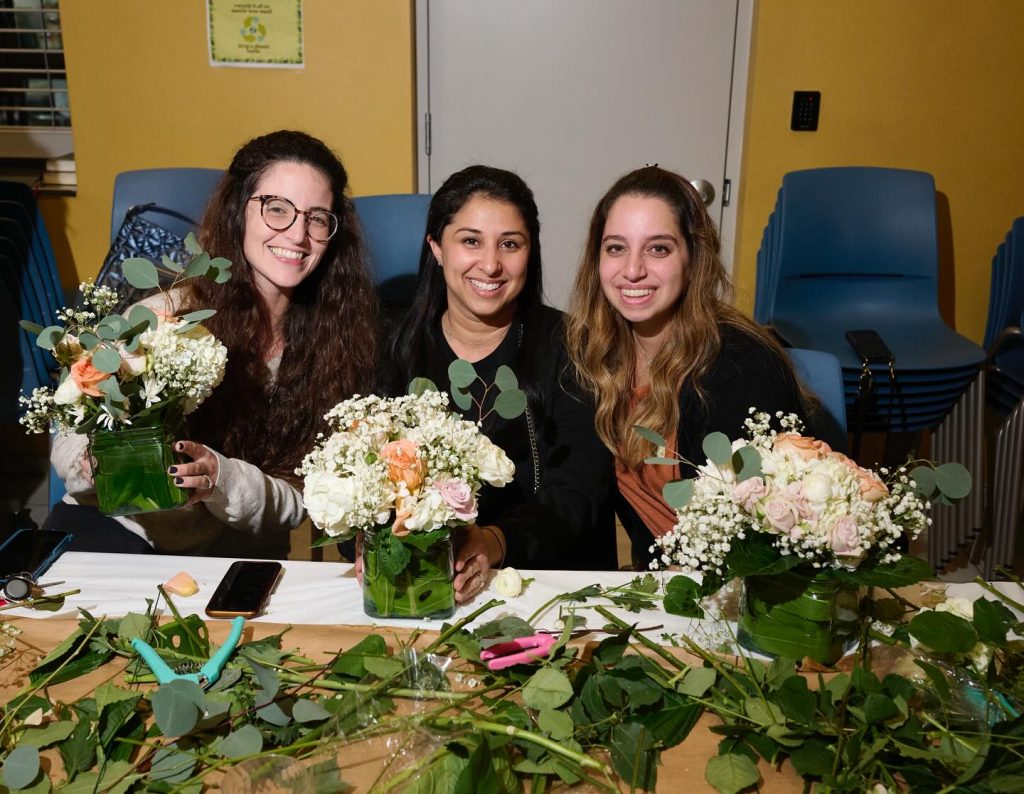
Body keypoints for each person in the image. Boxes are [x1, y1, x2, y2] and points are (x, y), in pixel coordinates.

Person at [46, 130, 378, 557]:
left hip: (226, 558)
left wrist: (220, 478)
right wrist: (96, 460)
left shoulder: (342, 343)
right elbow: (68, 443)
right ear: (238, 212)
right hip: (111, 530)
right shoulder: (164, 317)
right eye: (277, 209)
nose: (297, 235)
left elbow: (301, 502)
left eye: (316, 218)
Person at [381, 165, 617, 602]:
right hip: (422, 586)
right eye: (470, 241)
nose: (490, 264)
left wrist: (493, 542)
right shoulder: (393, 347)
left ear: (531, 252)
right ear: (436, 248)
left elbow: (580, 494)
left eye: (510, 244)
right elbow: (357, 485)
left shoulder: (572, 347)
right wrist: (373, 543)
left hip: (549, 588)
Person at [564, 166, 812, 569]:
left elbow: (766, 540)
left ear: (693, 257)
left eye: (658, 248)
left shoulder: (741, 367)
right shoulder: (595, 355)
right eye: (616, 248)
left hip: (733, 591)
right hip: (661, 586)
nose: (632, 270)